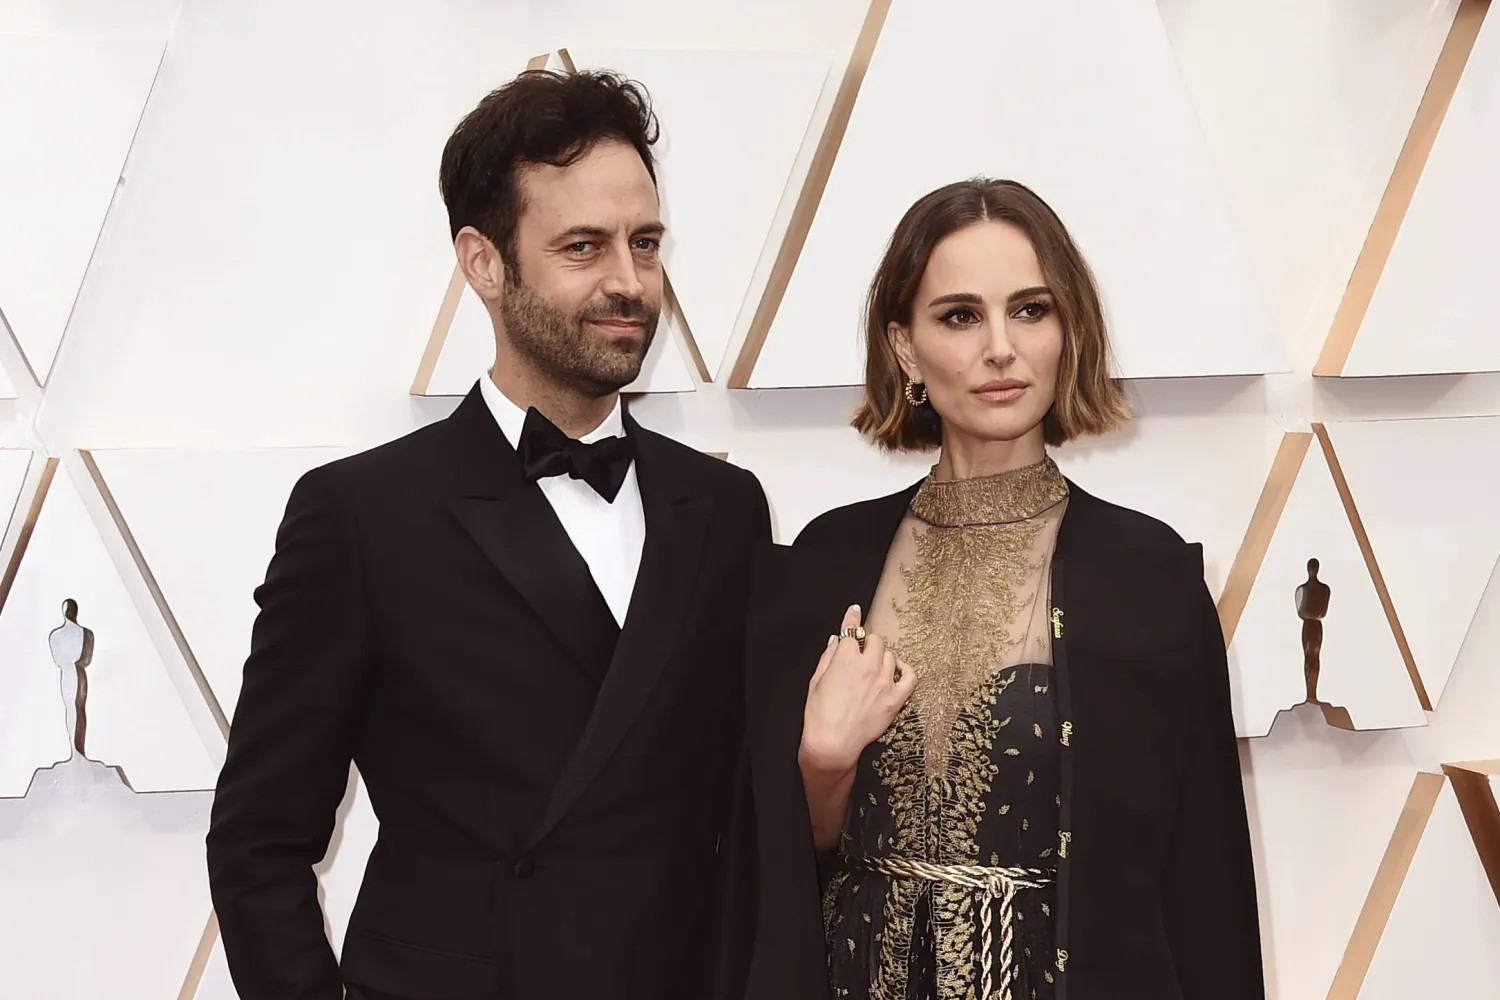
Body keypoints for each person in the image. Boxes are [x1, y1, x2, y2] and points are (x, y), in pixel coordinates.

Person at [206, 68, 771, 1000]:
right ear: (483, 261)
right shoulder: (361, 517)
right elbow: (258, 841)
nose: (629, 283)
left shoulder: (725, 507)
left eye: (646, 243)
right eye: (583, 247)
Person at [730, 179, 1264, 999]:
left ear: (1067, 330)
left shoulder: (1147, 576)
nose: (1001, 349)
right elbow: (770, 867)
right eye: (959, 316)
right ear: (905, 348)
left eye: (1030, 310)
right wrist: (825, 758)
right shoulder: (824, 560)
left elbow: (1205, 881)